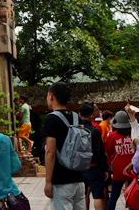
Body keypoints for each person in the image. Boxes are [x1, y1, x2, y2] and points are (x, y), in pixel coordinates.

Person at [43, 82, 85, 210]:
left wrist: (48, 181)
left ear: (51, 96)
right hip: (79, 178)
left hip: (61, 180)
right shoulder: (76, 117)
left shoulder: (51, 119)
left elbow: (50, 152)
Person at [79, 103, 108, 210]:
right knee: (97, 195)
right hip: (93, 166)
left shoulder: (75, 130)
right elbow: (99, 151)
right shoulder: (94, 131)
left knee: (82, 195)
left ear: (79, 114)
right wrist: (105, 168)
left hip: (78, 167)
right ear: (92, 116)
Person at [104, 111, 134, 210]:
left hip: (118, 169)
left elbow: (107, 152)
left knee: (114, 195)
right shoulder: (133, 134)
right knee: (133, 194)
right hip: (133, 167)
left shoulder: (112, 136)